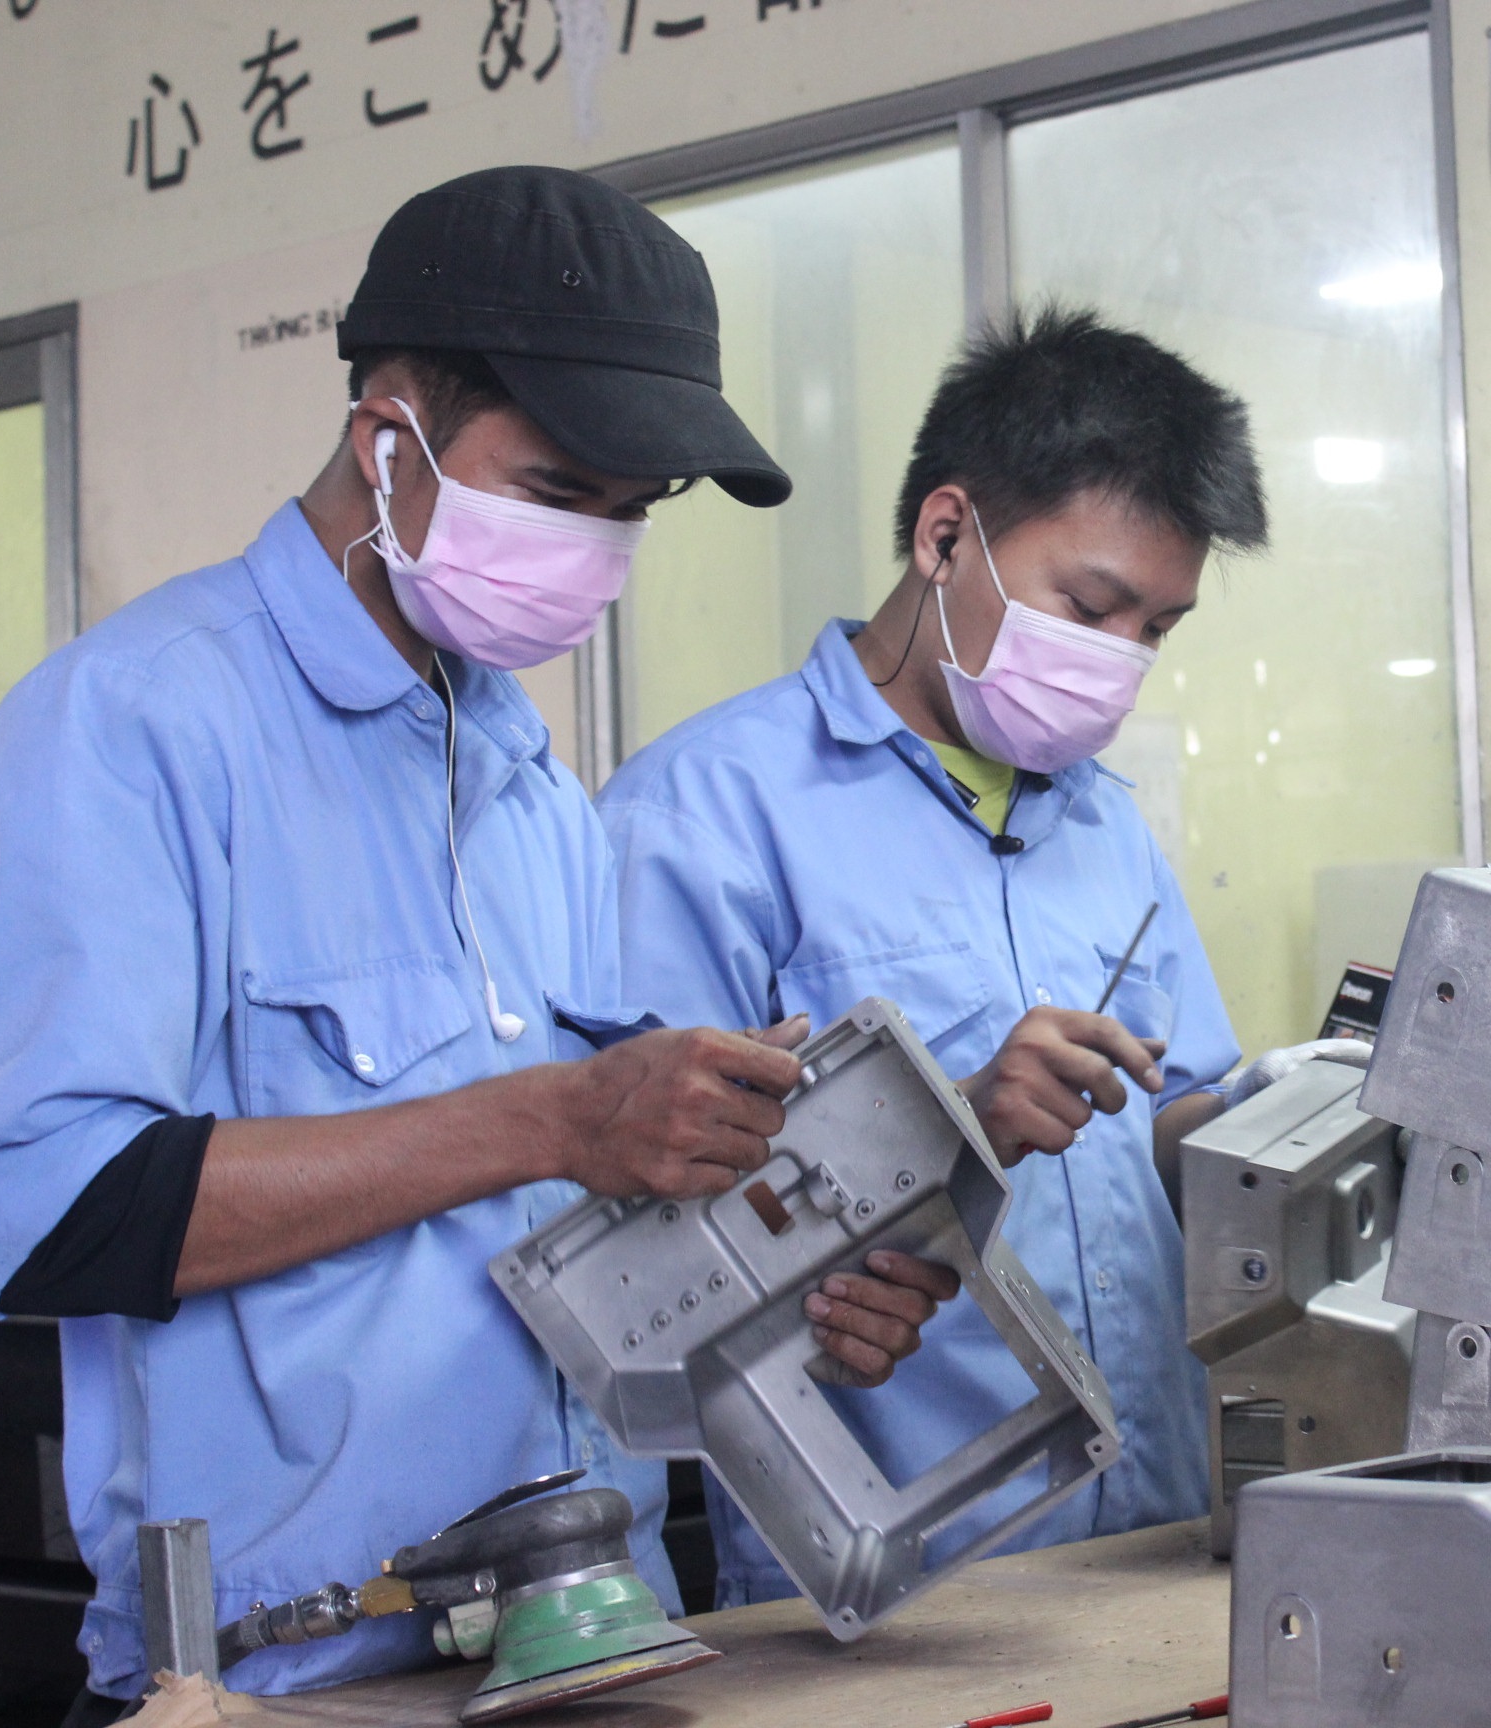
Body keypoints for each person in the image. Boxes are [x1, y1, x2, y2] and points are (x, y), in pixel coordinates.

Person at [0, 167, 955, 1704]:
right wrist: (547, 1118)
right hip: (289, 1676)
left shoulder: (533, 790)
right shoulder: (138, 726)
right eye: (557, 493)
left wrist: (795, 1287)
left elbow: (560, 1250)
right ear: (388, 440)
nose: (596, 551)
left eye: (631, 513)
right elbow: (49, 1215)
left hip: (587, 1640)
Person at [599, 306, 1269, 1604]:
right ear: (945, 534)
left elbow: (1173, 1118)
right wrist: (945, 1127)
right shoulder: (706, 819)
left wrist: (1322, 1118)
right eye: (1092, 607)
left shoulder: (1106, 827)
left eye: (1158, 631)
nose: (1120, 664)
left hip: (1154, 1543)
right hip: (900, 1586)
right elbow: (637, 1261)